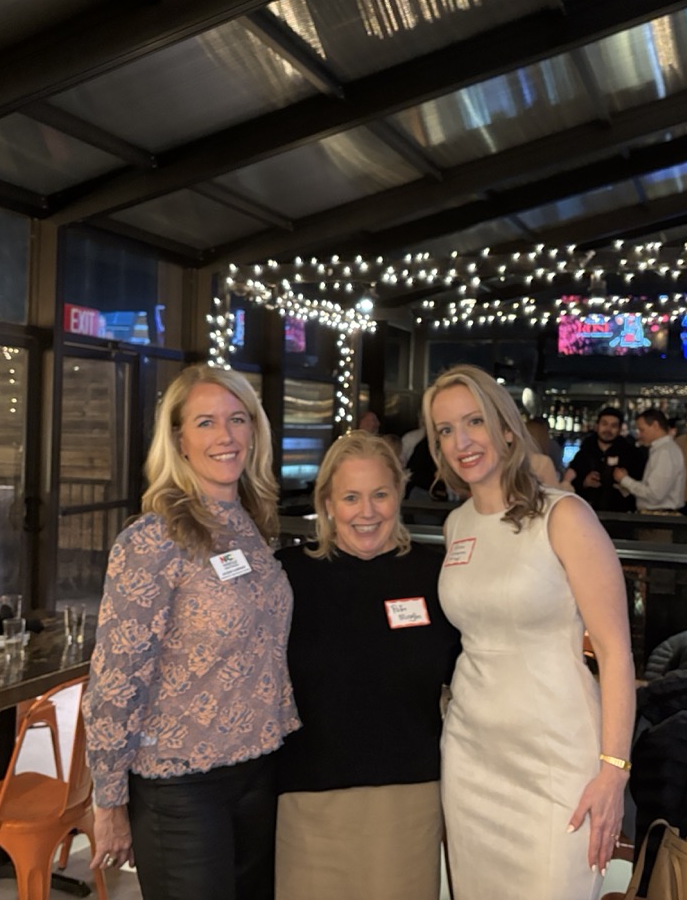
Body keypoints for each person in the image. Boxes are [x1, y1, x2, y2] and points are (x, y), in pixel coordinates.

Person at [84, 365, 299, 900]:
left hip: (257, 768)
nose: (226, 436)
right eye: (206, 422)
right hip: (179, 783)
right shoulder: (152, 538)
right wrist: (108, 799)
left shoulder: (250, 525)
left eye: (237, 419)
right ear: (179, 440)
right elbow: (116, 677)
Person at [424, 365, 635, 900]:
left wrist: (614, 772)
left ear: (507, 428)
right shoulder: (456, 525)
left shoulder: (565, 516)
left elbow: (615, 653)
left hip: (557, 756)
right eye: (446, 429)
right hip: (471, 755)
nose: (462, 441)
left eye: (474, 421)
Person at [274, 432, 459, 900]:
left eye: (380, 494)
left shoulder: (437, 575)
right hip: (306, 796)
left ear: (399, 494)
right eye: (351, 497)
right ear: (327, 503)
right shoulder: (287, 576)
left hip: (408, 797)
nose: (367, 511)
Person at [567, 407, 644, 513]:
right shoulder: (585, 453)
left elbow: (641, 486)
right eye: (604, 424)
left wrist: (624, 481)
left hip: (621, 514)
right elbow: (569, 483)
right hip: (586, 512)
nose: (608, 429)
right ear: (597, 426)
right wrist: (584, 482)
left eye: (613, 426)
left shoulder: (631, 454)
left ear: (620, 429)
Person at [614, 408, 686, 514]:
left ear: (655, 425)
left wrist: (624, 479)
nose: (639, 435)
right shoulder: (663, 450)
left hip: (658, 515)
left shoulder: (665, 452)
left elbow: (654, 494)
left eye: (642, 430)